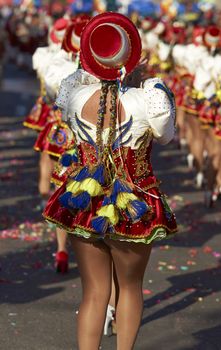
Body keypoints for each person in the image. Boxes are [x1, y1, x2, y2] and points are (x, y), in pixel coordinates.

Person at [43, 12, 177, 350]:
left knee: (93, 293)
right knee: (129, 289)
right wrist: (143, 79)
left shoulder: (74, 93)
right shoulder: (149, 96)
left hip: (84, 200)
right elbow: (166, 136)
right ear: (133, 56)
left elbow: (78, 79)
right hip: (135, 203)